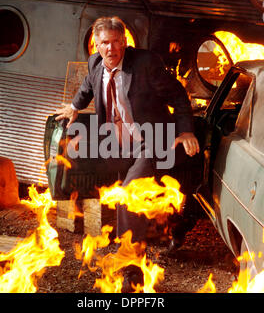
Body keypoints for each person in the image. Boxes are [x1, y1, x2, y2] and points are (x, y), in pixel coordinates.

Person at [55, 16, 199, 252]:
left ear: (124, 42)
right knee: (75, 153)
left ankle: (129, 263)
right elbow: (87, 87)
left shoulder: (146, 64)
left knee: (128, 194)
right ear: (96, 44)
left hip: (151, 143)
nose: (110, 48)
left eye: (115, 42)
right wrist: (74, 107)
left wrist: (185, 131)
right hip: (116, 143)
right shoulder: (94, 63)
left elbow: (178, 95)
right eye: (104, 43)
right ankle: (171, 223)